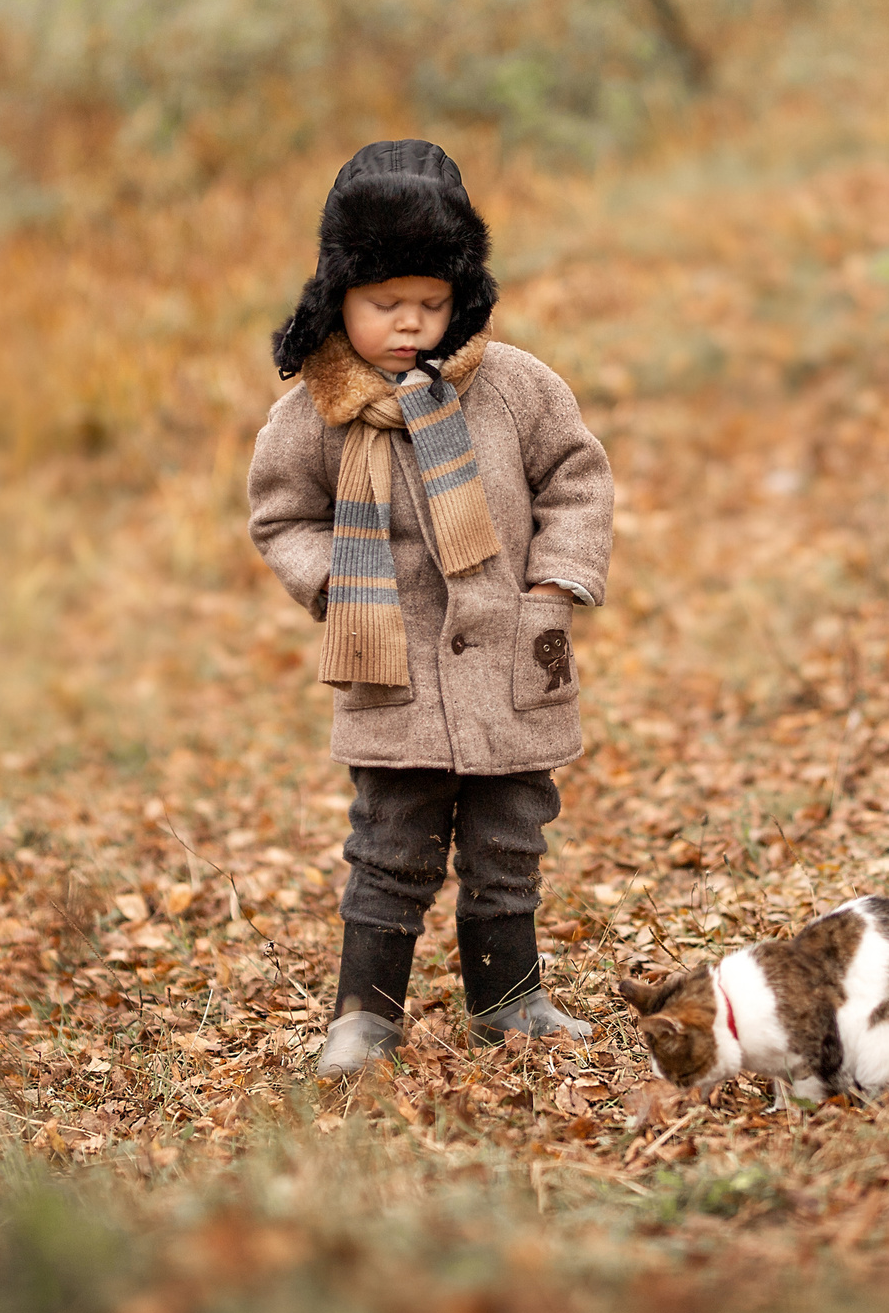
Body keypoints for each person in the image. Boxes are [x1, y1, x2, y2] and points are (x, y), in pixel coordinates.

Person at [248, 140, 615, 1079]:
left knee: (509, 835)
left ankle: (509, 1000)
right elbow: (281, 513)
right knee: (391, 844)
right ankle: (365, 1017)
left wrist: (553, 582)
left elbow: (577, 477)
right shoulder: (313, 415)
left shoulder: (517, 387)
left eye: (431, 302)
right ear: (339, 298)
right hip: (390, 664)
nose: (409, 323)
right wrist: (339, 581)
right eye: (383, 303)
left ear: (465, 297)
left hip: (508, 658)